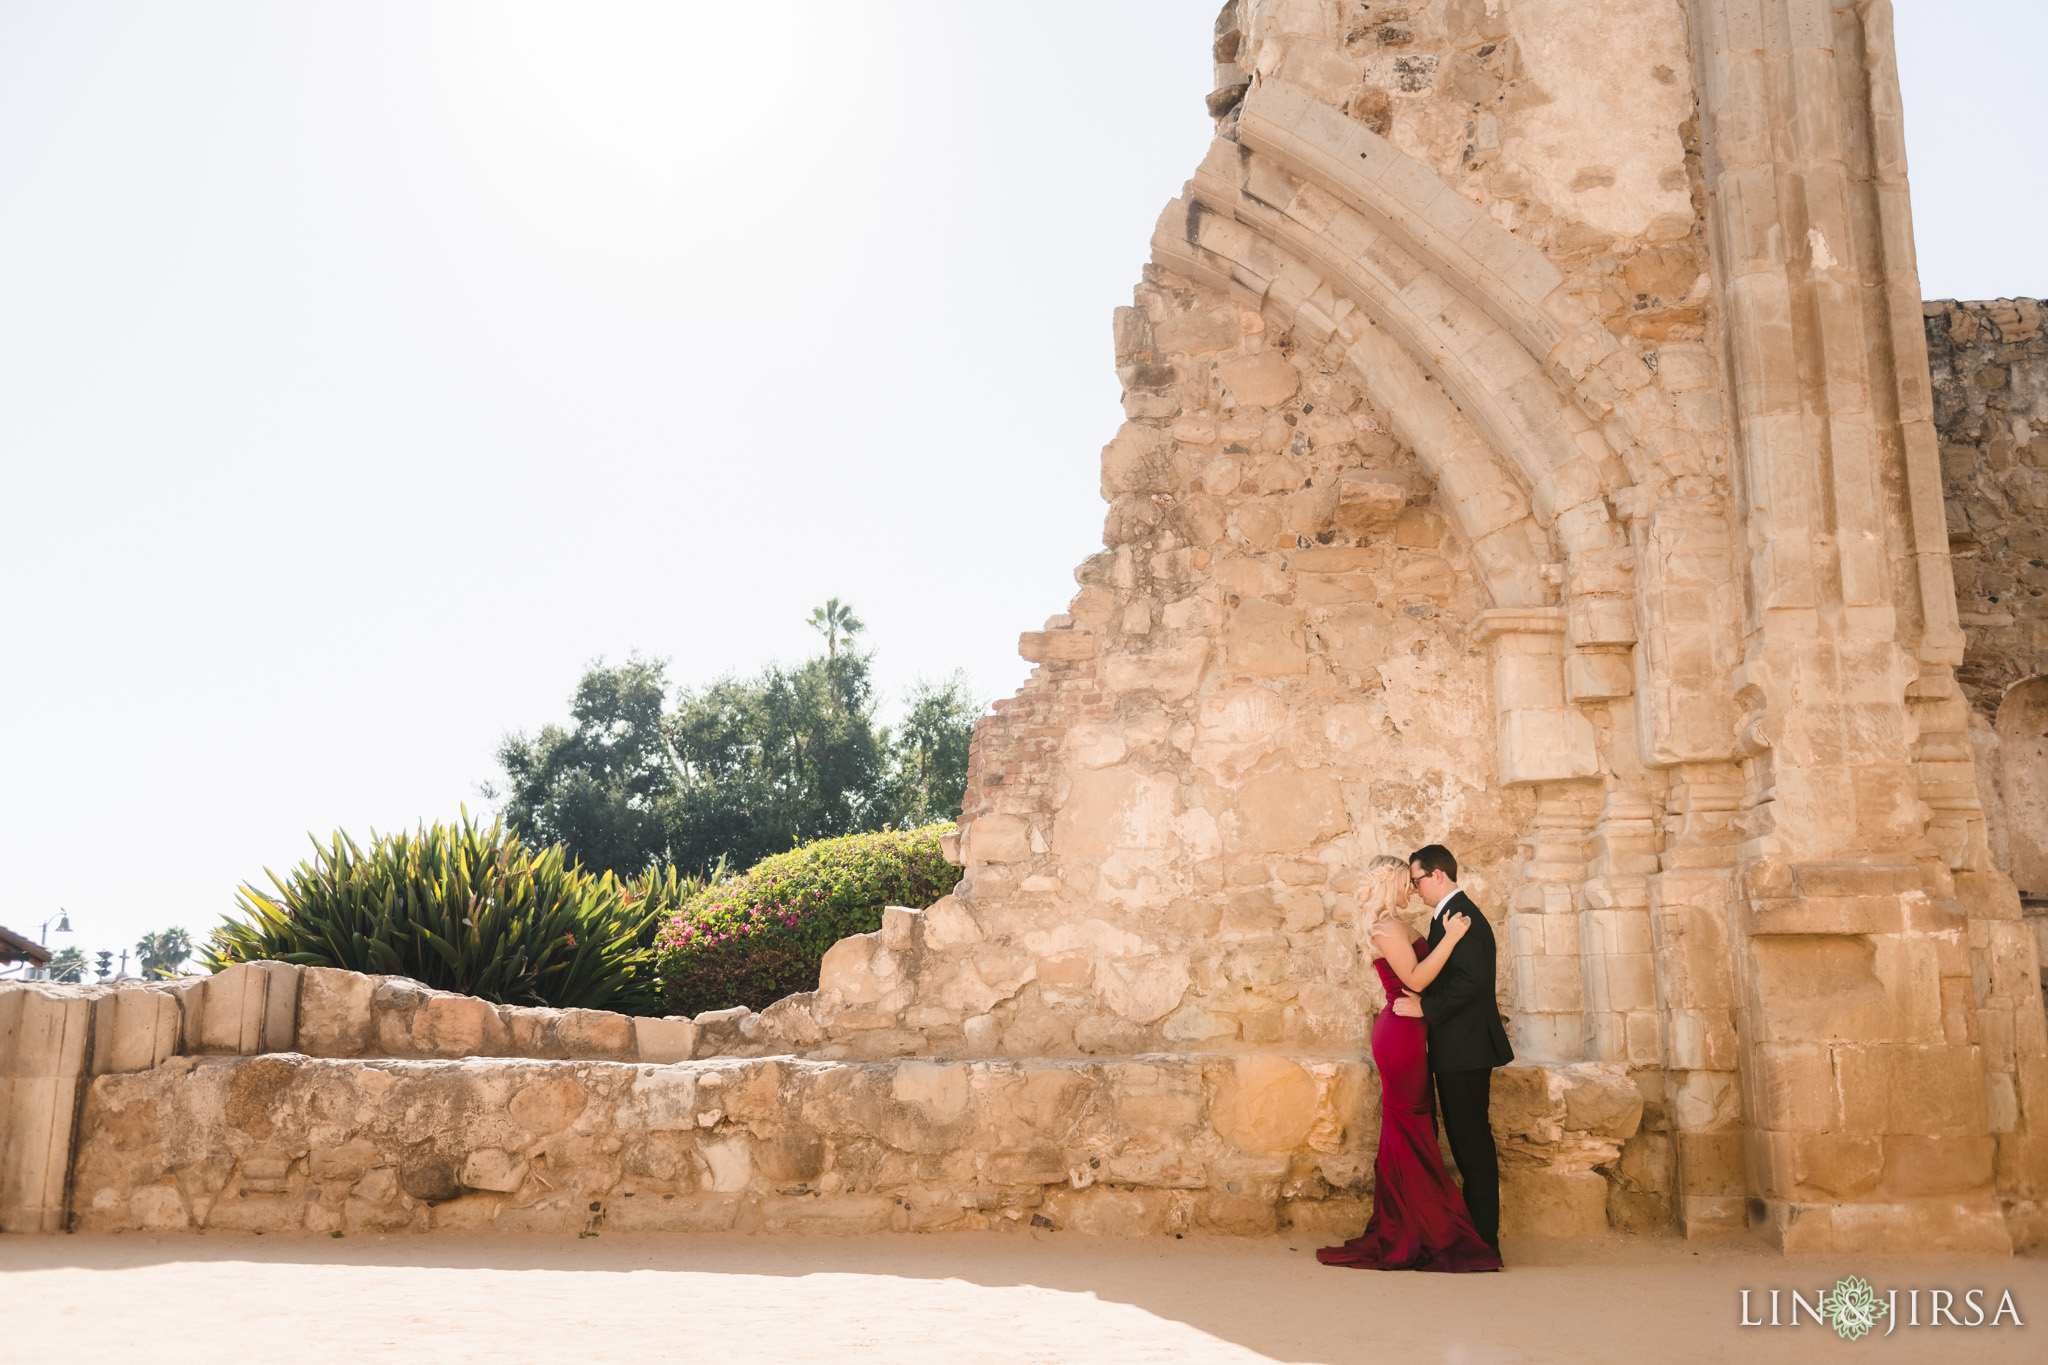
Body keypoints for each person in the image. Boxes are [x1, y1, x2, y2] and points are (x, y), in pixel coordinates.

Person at [1317, 855, 1502, 1273]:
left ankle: (1420, 1223)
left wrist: (1449, 942)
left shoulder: (1395, 923)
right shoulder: (1385, 927)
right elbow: (1416, 980)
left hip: (1413, 1029)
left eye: (1415, 882)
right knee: (1410, 1125)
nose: (1412, 890)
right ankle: (1415, 1228)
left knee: (1415, 1126)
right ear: (1392, 885)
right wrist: (1452, 939)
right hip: (1401, 1032)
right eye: (1407, 883)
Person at [1391, 842, 1513, 1254]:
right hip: (1458, 1047)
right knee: (1465, 1141)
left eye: (1417, 880)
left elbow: (1472, 982)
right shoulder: (1447, 916)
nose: (1416, 889)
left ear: (1437, 875)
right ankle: (1478, 1234)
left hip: (1467, 1048)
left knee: (1471, 1141)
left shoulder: (1461, 916)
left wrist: (1426, 1007)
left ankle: (1485, 1241)